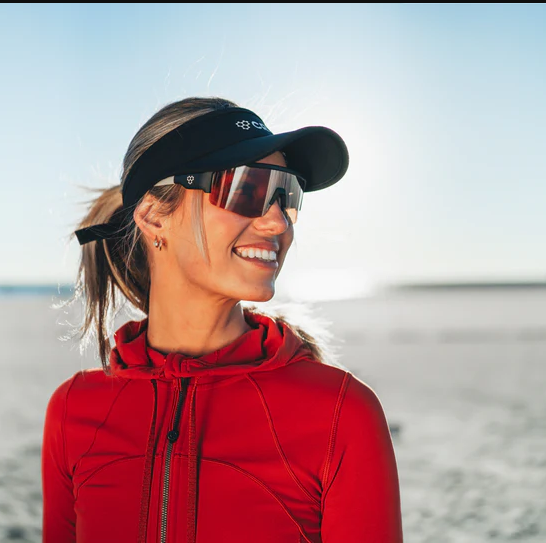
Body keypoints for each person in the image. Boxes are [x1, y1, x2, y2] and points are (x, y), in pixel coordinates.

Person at [41, 97, 403, 542]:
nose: (277, 223)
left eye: (287, 195)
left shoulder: (340, 414)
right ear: (154, 217)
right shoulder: (73, 413)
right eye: (246, 188)